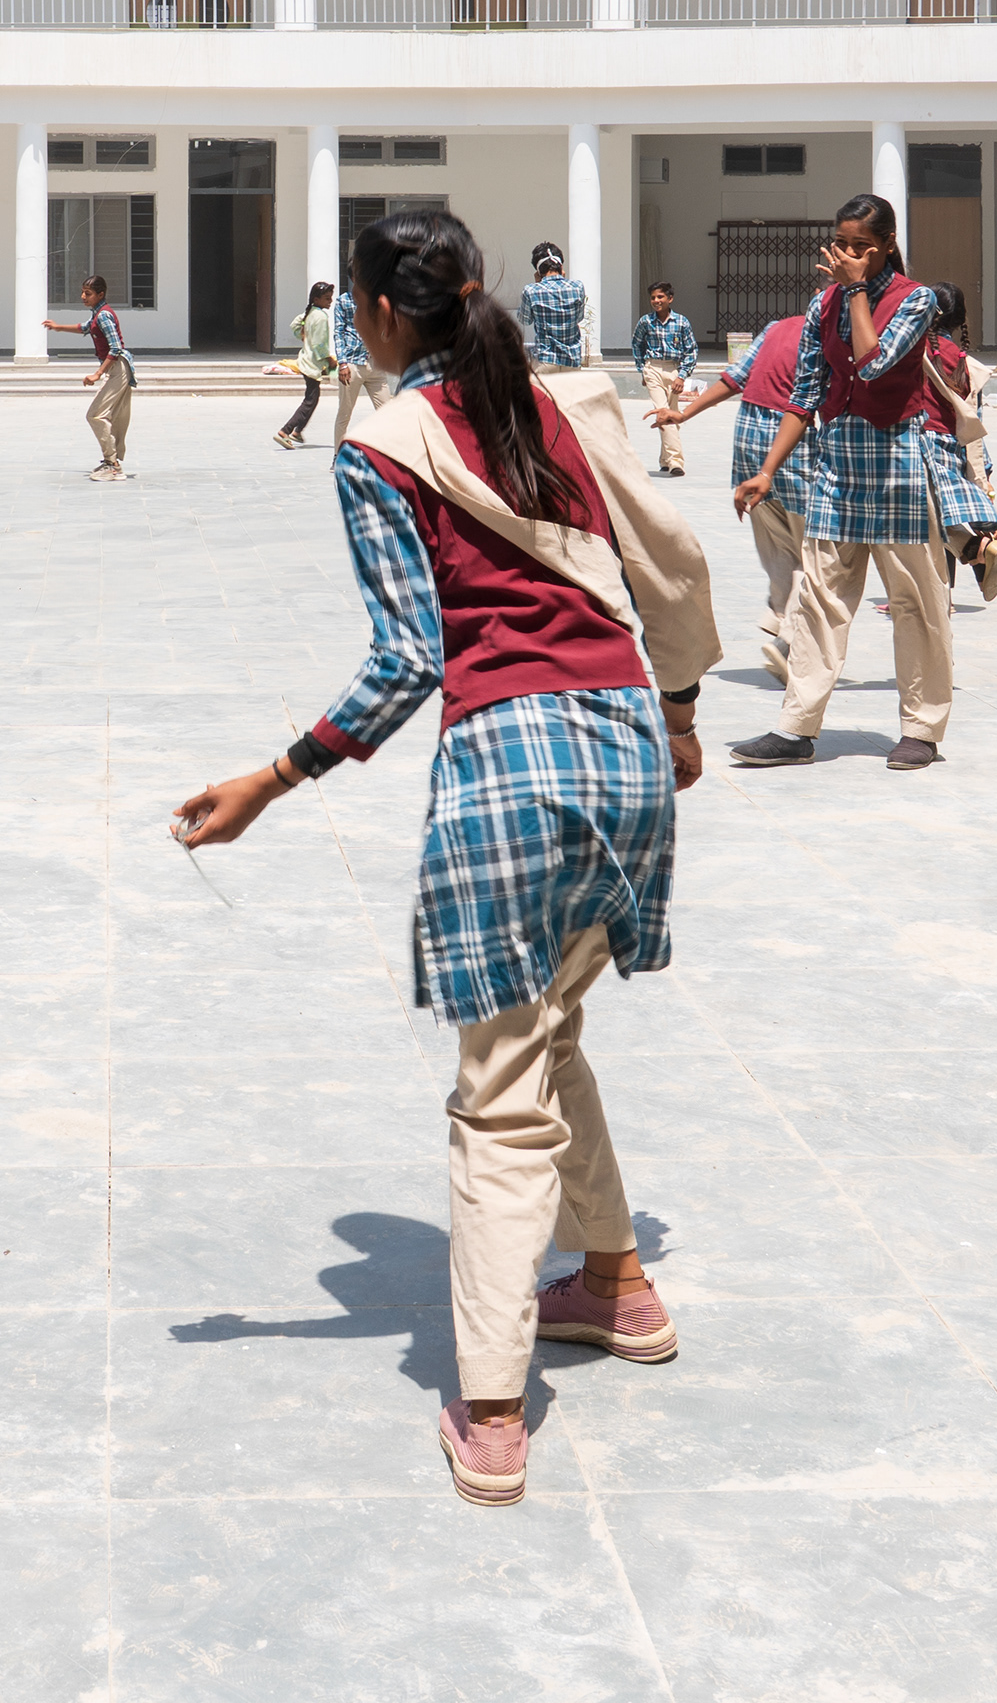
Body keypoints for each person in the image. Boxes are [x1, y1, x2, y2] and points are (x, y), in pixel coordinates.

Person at [176, 211, 715, 1512]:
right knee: (551, 1026)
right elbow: (673, 558)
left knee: (499, 1093)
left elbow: (409, 656)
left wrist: (272, 778)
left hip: (511, 771)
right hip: (628, 751)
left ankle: (491, 1403)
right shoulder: (560, 400)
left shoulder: (382, 442)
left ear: (371, 312)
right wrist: (685, 711)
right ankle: (616, 1284)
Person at [732, 194, 957, 773]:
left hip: (898, 464)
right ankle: (795, 727)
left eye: (862, 246)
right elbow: (805, 393)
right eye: (842, 243)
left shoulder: (916, 300)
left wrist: (856, 291)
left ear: (887, 245)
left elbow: (874, 363)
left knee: (916, 603)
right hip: (837, 466)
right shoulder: (822, 304)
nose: (849, 254)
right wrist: (767, 470)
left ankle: (921, 729)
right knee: (818, 600)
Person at [652, 304, 819, 662]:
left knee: (778, 547)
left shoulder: (775, 328)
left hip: (748, 441)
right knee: (814, 554)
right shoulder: (832, 336)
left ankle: (779, 613)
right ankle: (788, 637)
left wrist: (684, 414)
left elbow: (734, 379)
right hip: (792, 447)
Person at [919, 281, 997, 603]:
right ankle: (975, 556)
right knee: (939, 517)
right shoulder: (965, 362)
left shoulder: (914, 349)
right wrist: (984, 473)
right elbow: (973, 420)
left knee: (922, 520)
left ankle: (971, 553)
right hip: (951, 446)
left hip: (920, 442)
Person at [46, 275, 135, 479]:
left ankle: (112, 465)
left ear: (100, 294)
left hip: (118, 368)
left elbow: (115, 348)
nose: (83, 296)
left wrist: (97, 374)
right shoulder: (97, 314)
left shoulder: (104, 315)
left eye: (88, 293)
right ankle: (111, 461)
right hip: (116, 369)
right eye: (83, 292)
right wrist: (58, 327)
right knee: (110, 416)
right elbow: (85, 328)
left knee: (95, 415)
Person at [629, 282, 698, 477]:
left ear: (670, 298)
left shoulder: (681, 322)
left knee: (672, 413)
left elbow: (691, 351)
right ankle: (676, 461)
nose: (656, 301)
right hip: (653, 368)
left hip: (673, 370)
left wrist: (682, 376)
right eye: (653, 297)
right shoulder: (645, 322)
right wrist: (643, 370)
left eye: (660, 297)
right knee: (662, 410)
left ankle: (664, 460)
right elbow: (637, 345)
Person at [275, 279, 340, 449]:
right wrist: (329, 359)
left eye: (330, 297)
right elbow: (320, 344)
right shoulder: (320, 317)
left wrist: (303, 335)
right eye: (327, 298)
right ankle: (285, 431)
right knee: (310, 401)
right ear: (316, 299)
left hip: (305, 360)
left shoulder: (310, 312)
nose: (330, 301)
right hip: (312, 364)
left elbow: (295, 325)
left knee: (312, 398)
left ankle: (297, 431)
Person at [520, 242, 589, 371]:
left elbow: (525, 320)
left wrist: (537, 284)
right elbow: (579, 317)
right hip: (572, 360)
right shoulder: (577, 287)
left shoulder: (531, 290)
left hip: (545, 360)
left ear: (538, 270)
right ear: (561, 266)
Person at [327, 283, 372, 444]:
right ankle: (337, 453)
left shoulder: (376, 298)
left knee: (388, 410)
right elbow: (338, 333)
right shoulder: (344, 301)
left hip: (374, 364)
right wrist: (343, 363)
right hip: (352, 364)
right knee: (344, 414)